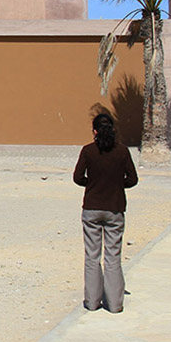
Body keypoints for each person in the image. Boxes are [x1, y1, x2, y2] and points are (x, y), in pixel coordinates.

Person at [73, 113, 138, 313]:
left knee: (92, 256)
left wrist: (92, 184)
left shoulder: (88, 151)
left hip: (92, 208)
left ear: (94, 131)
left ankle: (92, 302)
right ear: (113, 130)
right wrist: (116, 185)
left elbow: (77, 177)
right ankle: (115, 304)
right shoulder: (122, 152)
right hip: (115, 208)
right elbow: (132, 179)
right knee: (113, 256)